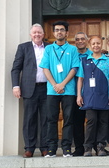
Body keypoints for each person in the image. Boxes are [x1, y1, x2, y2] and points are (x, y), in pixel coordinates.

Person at [39, 21, 79, 157]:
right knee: (51, 119)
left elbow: (74, 68)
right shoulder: (48, 49)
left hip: (69, 90)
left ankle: (67, 148)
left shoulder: (73, 49)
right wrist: (55, 84)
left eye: (62, 30)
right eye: (56, 30)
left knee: (68, 119)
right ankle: (51, 148)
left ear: (67, 33)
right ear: (54, 33)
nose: (59, 32)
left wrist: (62, 84)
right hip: (52, 90)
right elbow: (45, 68)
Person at [11, 23, 49, 158]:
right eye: (35, 33)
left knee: (46, 119)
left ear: (43, 34)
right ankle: (29, 148)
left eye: (39, 32)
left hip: (46, 88)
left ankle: (45, 147)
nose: (37, 35)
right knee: (29, 120)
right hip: (29, 89)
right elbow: (16, 68)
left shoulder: (49, 48)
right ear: (31, 35)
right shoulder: (23, 48)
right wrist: (16, 86)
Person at [76, 36, 109, 156]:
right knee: (91, 121)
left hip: (104, 95)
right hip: (89, 96)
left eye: (98, 43)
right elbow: (80, 79)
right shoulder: (84, 60)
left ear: (101, 43)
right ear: (90, 44)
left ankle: (101, 147)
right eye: (93, 44)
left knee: (103, 122)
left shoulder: (108, 61)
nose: (96, 46)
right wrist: (79, 95)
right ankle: (87, 148)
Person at [71, 32, 92, 156]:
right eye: (77, 39)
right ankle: (79, 148)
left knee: (92, 122)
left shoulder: (93, 54)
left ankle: (92, 146)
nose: (80, 41)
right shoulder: (72, 55)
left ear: (87, 40)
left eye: (82, 39)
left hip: (90, 94)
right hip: (74, 93)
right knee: (77, 122)